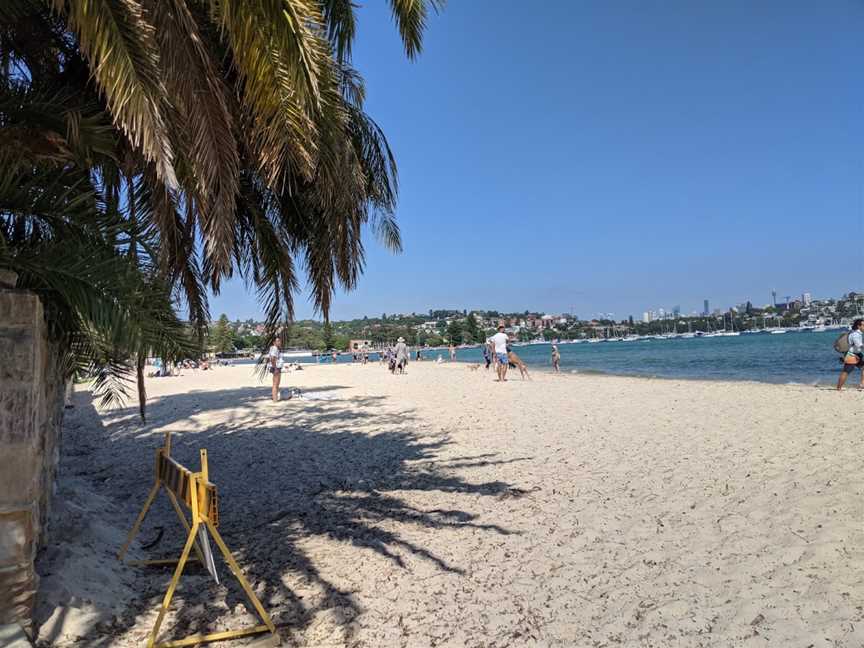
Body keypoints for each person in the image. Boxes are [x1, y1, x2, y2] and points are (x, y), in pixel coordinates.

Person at [837, 318, 864, 391]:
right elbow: (859, 345)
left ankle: (862, 384)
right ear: (859, 326)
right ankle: (839, 388)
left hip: (858, 354)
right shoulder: (855, 334)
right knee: (846, 371)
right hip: (851, 355)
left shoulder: (858, 334)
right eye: (863, 325)